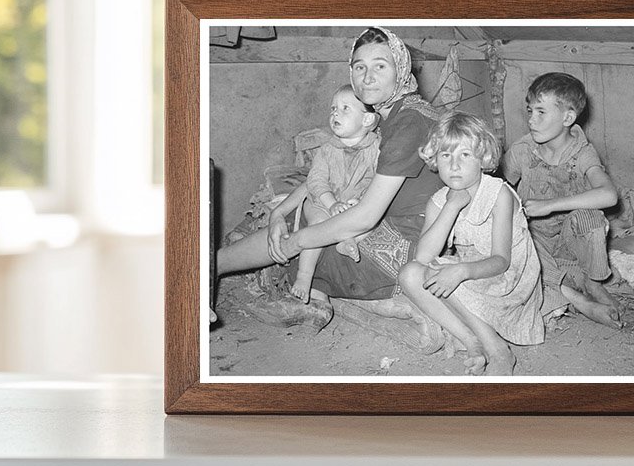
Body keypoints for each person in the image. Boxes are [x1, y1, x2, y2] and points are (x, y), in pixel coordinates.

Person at [212, 26, 442, 326]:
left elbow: (365, 218)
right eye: (360, 67)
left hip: (405, 248)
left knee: (308, 236)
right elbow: (322, 181)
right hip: (391, 228)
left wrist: (297, 241)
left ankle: (213, 265)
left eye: (380, 66)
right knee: (311, 209)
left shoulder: (407, 123)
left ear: (400, 70)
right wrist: (279, 212)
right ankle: (214, 263)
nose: (368, 77)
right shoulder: (392, 116)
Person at [398, 112, 544, 376]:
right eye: (446, 155)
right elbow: (423, 257)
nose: (454, 165)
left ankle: (498, 351)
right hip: (472, 275)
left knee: (440, 274)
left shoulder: (498, 193)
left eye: (465, 155)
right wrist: (451, 206)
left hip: (508, 280)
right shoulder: (439, 201)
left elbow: (502, 261)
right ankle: (471, 340)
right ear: (435, 159)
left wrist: (461, 271)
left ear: (483, 159)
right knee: (409, 274)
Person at [503, 72, 622, 329]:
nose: (531, 120)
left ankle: (594, 283)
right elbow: (501, 189)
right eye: (530, 111)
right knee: (518, 244)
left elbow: (609, 195)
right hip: (534, 240)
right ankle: (581, 301)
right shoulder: (522, 151)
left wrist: (549, 205)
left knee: (591, 217)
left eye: (541, 112)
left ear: (568, 118)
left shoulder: (582, 153)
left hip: (570, 242)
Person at [291, 85, 380, 304]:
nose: (335, 114)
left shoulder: (376, 149)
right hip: (321, 201)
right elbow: (316, 180)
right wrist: (330, 203)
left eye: (345, 108)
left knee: (371, 221)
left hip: (353, 204)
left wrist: (360, 200)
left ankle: (347, 240)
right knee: (319, 225)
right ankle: (304, 276)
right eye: (333, 109)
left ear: (367, 120)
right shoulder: (327, 149)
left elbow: (380, 180)